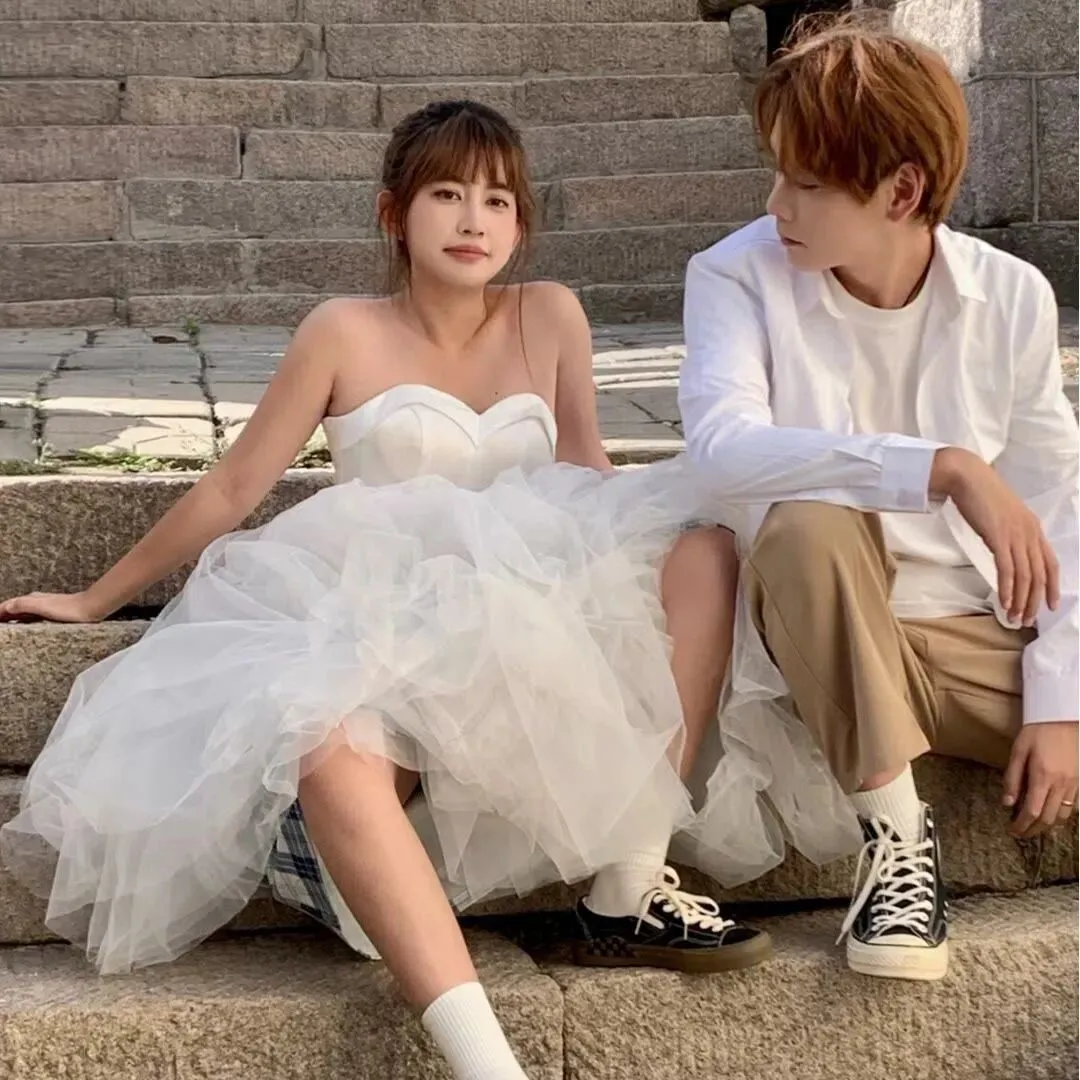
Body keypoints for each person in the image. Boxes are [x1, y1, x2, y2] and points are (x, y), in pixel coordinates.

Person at [0, 100, 777, 1080]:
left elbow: (588, 472)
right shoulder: (343, 331)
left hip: (532, 607)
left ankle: (625, 885)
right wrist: (96, 598)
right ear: (392, 213)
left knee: (705, 548)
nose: (474, 220)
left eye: (498, 200)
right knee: (327, 748)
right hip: (383, 609)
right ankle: (486, 1063)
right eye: (447, 194)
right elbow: (234, 488)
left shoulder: (550, 315)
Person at [679, 17, 1079, 984]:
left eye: (808, 184)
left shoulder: (1012, 296)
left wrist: (1061, 703)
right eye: (778, 174)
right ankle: (898, 845)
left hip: (970, 641)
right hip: (815, 631)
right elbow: (723, 453)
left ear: (901, 191)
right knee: (808, 520)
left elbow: (1059, 506)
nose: (777, 204)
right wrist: (941, 466)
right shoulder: (733, 275)